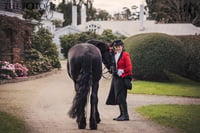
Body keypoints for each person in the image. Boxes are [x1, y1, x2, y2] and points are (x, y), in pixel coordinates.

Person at [106, 40, 133, 121]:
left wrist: (122, 71)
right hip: (116, 78)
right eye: (116, 47)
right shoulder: (114, 55)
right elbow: (113, 65)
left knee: (122, 97)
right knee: (118, 96)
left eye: (119, 47)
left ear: (122, 47)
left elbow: (129, 68)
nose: (118, 48)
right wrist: (112, 69)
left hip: (123, 77)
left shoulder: (125, 55)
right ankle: (121, 114)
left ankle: (126, 115)